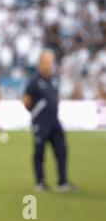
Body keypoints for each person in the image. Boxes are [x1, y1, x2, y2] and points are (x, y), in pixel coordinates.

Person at [23, 50, 77, 192]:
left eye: (50, 62)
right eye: (46, 62)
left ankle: (62, 182)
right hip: (41, 122)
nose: (48, 65)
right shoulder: (34, 81)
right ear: (40, 63)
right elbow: (26, 101)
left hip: (55, 121)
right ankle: (40, 182)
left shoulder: (54, 80)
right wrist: (36, 114)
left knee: (62, 150)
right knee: (39, 152)